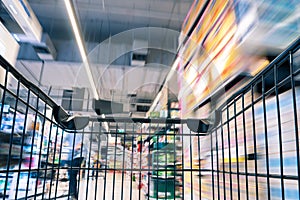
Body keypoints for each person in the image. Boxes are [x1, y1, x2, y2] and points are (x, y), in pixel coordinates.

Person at [62, 131, 85, 199]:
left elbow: (84, 141)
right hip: (70, 155)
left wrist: (79, 145)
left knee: (72, 174)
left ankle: (72, 195)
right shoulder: (69, 131)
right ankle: (72, 194)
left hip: (78, 155)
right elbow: (64, 140)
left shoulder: (81, 131)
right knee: (71, 175)